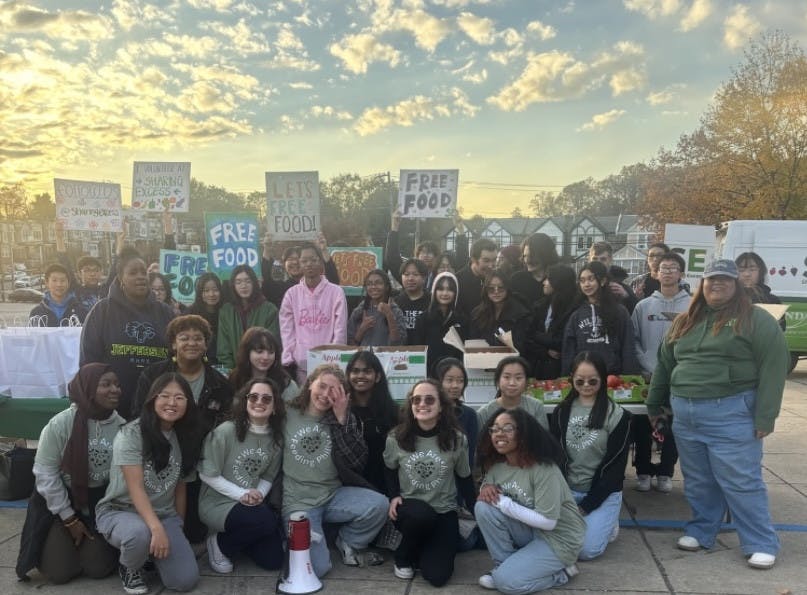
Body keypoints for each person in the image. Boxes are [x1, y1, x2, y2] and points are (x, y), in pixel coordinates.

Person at [646, 259, 789, 570]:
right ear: (702, 285)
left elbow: (774, 366)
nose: (718, 284)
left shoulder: (756, 320)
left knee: (741, 481)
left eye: (725, 279)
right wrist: (654, 405)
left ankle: (761, 542)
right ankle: (702, 530)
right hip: (686, 416)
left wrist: (766, 416)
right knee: (698, 480)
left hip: (733, 415)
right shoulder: (684, 321)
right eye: (712, 280)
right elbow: (665, 366)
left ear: (736, 284)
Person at [95, 373, 202, 594]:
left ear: (188, 404)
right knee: (139, 534)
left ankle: (148, 553)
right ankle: (130, 566)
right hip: (122, 510)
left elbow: (180, 486)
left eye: (180, 398)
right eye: (165, 396)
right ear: (153, 398)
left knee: (184, 580)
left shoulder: (184, 435)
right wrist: (156, 529)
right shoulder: (131, 433)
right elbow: (136, 488)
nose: (171, 403)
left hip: (164, 514)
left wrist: (177, 526)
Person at [16, 364, 123, 584]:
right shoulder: (60, 424)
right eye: (106, 384)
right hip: (60, 505)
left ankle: (85, 549)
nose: (115, 389)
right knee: (59, 573)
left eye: (117, 384)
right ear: (88, 388)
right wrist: (69, 519)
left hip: (98, 504)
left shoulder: (122, 426)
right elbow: (45, 473)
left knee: (99, 568)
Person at [281, 364, 388, 577]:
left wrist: (341, 422)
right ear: (310, 383)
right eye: (322, 386)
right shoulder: (287, 413)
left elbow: (357, 461)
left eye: (334, 390)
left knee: (379, 504)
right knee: (317, 569)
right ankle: (289, 538)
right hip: (298, 501)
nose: (325, 394)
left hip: (333, 495)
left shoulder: (343, 419)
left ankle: (347, 541)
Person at [475, 408, 585, 593]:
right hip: (530, 531)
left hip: (558, 539)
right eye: (494, 429)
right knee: (483, 507)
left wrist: (504, 503)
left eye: (507, 428)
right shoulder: (497, 467)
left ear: (524, 434)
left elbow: (548, 522)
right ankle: (503, 565)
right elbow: (487, 490)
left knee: (507, 584)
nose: (498, 434)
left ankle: (561, 574)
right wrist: (485, 489)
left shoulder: (544, 469)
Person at [383, 379, 475, 586]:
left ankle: (420, 549)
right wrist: (394, 496)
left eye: (429, 399)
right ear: (411, 405)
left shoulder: (457, 439)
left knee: (437, 576)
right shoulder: (396, 437)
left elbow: (465, 477)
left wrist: (476, 509)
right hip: (411, 511)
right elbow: (388, 470)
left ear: (441, 406)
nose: (422, 404)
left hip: (444, 512)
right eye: (417, 399)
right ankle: (402, 556)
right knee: (422, 516)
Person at [550, 351, 631, 560]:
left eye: (593, 380)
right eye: (580, 381)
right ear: (572, 380)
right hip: (568, 491)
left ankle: (608, 520)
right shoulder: (561, 412)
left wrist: (587, 506)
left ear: (603, 380)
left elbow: (615, 471)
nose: (586, 385)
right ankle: (592, 523)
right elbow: (554, 458)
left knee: (587, 551)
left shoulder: (618, 416)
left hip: (601, 493)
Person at [198, 378, 285, 574]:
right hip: (217, 503)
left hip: (250, 505)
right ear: (245, 401)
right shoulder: (225, 432)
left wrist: (258, 495)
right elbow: (207, 474)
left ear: (275, 406)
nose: (259, 402)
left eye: (266, 399)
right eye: (253, 397)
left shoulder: (276, 439)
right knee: (266, 519)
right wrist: (241, 494)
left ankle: (240, 537)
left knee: (274, 560)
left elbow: (268, 477)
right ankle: (219, 543)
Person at [80, 247, 175, 420]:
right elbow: (89, 361)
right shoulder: (102, 311)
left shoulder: (166, 313)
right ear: (120, 279)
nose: (140, 276)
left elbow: (176, 357)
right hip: (113, 406)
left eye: (143, 272)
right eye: (133, 272)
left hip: (156, 406)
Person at [631, 252, 690, 493]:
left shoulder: (692, 305)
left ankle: (666, 472)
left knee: (675, 425)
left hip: (680, 378)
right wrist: (645, 365)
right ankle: (643, 471)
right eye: (663, 268)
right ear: (655, 273)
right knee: (644, 425)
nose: (667, 272)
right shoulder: (643, 306)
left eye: (673, 268)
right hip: (648, 376)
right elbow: (633, 340)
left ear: (681, 274)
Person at [280, 242, 348, 385]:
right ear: (299, 263)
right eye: (304, 261)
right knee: (303, 404)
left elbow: (340, 328)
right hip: (301, 365)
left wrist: (334, 356)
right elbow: (287, 329)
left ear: (320, 261)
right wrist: (289, 355)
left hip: (328, 365)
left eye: (313, 260)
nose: (309, 264)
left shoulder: (336, 292)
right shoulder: (292, 294)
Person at [561, 261, 639, 375]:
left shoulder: (620, 312)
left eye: (590, 279)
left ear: (602, 281)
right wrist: (567, 376)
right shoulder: (576, 315)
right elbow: (569, 350)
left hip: (613, 377)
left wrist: (629, 376)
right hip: (584, 378)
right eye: (582, 281)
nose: (586, 284)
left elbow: (628, 347)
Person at [346, 351, 400, 494]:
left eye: (367, 371)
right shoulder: (341, 411)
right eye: (355, 371)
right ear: (348, 376)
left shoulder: (393, 412)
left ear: (378, 377)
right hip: (350, 486)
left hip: (387, 486)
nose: (360, 376)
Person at [217, 264, 279, 371]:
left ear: (255, 283)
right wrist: (233, 372)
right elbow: (224, 349)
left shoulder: (269, 309)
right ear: (233, 285)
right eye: (238, 282)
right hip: (235, 373)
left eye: (247, 281)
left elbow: (272, 345)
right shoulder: (226, 311)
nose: (243, 286)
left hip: (263, 370)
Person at [260, 232, 340, 308]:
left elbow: (333, 281)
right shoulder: (280, 288)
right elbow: (266, 281)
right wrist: (267, 250)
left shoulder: (317, 285)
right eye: (290, 259)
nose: (295, 262)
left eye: (298, 259)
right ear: (284, 265)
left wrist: (323, 250)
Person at [525, 264, 577, 380]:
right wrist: (545, 350)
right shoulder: (540, 305)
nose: (544, 282)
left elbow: (562, 340)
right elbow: (527, 336)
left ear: (558, 282)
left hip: (563, 370)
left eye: (548, 279)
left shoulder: (574, 309)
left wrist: (536, 336)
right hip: (539, 368)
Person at [412, 271, 466, 376]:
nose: (445, 293)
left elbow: (463, 353)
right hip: (429, 375)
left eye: (450, 289)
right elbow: (418, 351)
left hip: (454, 375)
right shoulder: (423, 319)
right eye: (441, 289)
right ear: (434, 291)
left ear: (456, 293)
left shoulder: (462, 320)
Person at [476, 356, 548, 430]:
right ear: (498, 381)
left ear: (526, 382)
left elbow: (543, 439)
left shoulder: (536, 407)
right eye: (506, 377)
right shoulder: (485, 412)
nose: (512, 383)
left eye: (518, 378)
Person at [228, 327, 299, 401]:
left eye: (271, 352)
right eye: (259, 351)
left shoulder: (286, 384)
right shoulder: (235, 379)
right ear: (247, 352)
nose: (266, 357)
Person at [469, 269, 531, 353]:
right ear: (485, 290)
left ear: (507, 288)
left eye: (501, 287)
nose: (496, 291)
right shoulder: (477, 313)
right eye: (491, 288)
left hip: (511, 360)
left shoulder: (520, 314)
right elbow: (473, 341)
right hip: (484, 360)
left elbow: (521, 344)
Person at [348, 269, 407, 346]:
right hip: (364, 357)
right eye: (369, 284)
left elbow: (398, 345)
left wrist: (389, 315)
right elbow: (350, 346)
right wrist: (361, 330)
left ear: (387, 287)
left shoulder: (395, 311)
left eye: (378, 283)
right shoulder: (359, 311)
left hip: (386, 357)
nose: (373, 287)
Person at [735, 251, 786, 331]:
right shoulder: (728, 298)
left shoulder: (773, 301)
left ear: (761, 271)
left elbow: (779, 331)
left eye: (752, 269)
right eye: (741, 270)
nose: (747, 274)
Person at [510, 233, 560, 307]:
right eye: (525, 256)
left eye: (532, 256)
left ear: (546, 254)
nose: (527, 260)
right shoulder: (517, 279)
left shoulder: (559, 279)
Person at [455, 238, 498, 319]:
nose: (491, 265)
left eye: (494, 260)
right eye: (486, 260)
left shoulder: (498, 279)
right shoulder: (457, 282)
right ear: (473, 259)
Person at [589, 241, 637, 312]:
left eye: (603, 259)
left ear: (610, 260)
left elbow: (635, 314)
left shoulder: (623, 288)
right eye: (595, 259)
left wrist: (626, 297)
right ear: (589, 260)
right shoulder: (581, 287)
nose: (598, 263)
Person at [188, 272, 223, 365]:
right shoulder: (190, 314)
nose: (211, 294)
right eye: (206, 290)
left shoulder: (226, 312)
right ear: (200, 292)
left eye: (215, 290)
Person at [395, 258, 431, 344]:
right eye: (406, 274)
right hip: (401, 353)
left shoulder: (432, 301)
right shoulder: (395, 302)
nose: (410, 278)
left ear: (424, 278)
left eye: (415, 274)